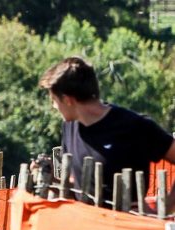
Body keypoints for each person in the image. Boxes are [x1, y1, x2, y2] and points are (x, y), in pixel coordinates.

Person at [36, 56, 175, 207]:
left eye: (54, 100)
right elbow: (79, 190)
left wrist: (165, 206)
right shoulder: (69, 127)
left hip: (125, 221)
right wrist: (51, 179)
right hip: (84, 220)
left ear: (68, 100)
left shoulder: (134, 126)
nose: (54, 106)